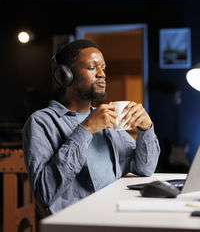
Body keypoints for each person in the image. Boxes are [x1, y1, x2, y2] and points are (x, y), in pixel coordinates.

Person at [22, 39, 160, 216]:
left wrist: (146, 129)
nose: (102, 74)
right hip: (75, 224)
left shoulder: (106, 118)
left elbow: (144, 168)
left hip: (113, 217)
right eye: (92, 68)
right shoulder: (41, 122)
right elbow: (44, 193)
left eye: (103, 68)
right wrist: (86, 129)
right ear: (65, 75)